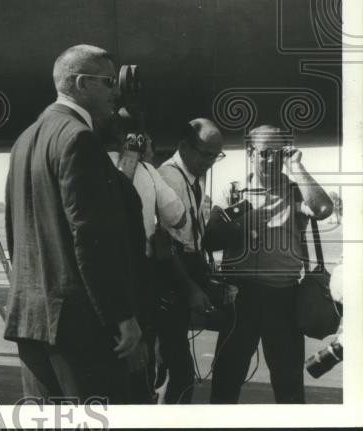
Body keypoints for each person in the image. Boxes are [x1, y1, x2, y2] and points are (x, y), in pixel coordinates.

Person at [4, 44, 141, 403]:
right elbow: (91, 238)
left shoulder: (25, 139)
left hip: (31, 318)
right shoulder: (79, 139)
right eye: (109, 82)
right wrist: (122, 316)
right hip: (79, 328)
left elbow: (17, 232)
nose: (117, 91)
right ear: (82, 84)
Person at [207, 125, 333, 404]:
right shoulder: (233, 192)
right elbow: (210, 240)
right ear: (250, 152)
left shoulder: (295, 191)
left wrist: (297, 167)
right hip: (239, 299)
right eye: (265, 153)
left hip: (283, 298)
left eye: (279, 153)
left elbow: (323, 209)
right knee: (225, 384)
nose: (271, 159)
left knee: (289, 388)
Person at [112, 129, 188, 403]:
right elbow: (178, 217)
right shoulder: (147, 171)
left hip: (98, 278)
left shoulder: (93, 161)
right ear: (144, 144)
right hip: (137, 276)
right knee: (141, 364)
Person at [153, 117, 225, 404]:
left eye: (216, 156)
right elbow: (165, 245)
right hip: (170, 284)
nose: (211, 162)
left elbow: (191, 236)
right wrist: (191, 289)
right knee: (178, 373)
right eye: (206, 154)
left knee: (177, 370)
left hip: (183, 278)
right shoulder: (169, 178)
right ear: (184, 146)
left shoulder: (192, 177)